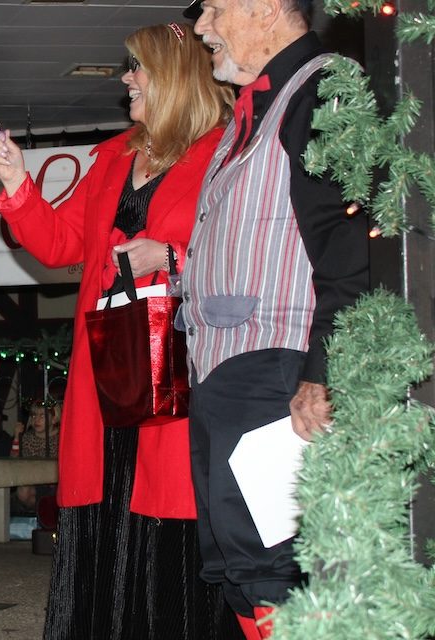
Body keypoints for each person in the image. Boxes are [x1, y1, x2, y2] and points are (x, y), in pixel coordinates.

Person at [0, 23, 237, 639]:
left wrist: (173, 258)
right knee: (106, 503)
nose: (126, 78)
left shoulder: (223, 154)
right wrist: (18, 183)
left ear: (174, 77)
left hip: (179, 365)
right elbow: (57, 244)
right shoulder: (112, 156)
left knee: (167, 506)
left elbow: (243, 255)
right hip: (111, 364)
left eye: (136, 68)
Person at [179, 0, 370, 636]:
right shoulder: (249, 111)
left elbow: (351, 246)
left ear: (265, 9)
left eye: (213, 10)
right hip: (224, 369)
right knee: (234, 559)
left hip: (276, 369)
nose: (202, 27)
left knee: (272, 563)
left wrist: (323, 372)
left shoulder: (321, 88)